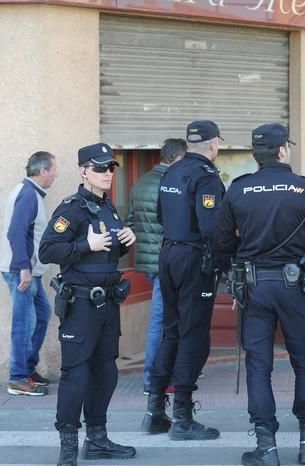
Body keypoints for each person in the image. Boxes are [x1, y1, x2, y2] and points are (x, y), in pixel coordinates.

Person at [215, 123, 305, 466]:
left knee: (258, 365)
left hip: (255, 288)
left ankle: (267, 447)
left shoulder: (238, 190)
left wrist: (246, 251)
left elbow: (221, 242)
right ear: (282, 151)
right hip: (294, 287)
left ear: (256, 153)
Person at [39, 143, 137, 466]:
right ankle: (68, 447)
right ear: (83, 171)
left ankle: (97, 439)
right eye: (100, 167)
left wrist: (124, 245)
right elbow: (48, 251)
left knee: (105, 373)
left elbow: (104, 256)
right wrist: (85, 244)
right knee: (76, 376)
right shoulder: (72, 209)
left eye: (111, 168)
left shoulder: (108, 209)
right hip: (80, 307)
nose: (108, 173)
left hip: (108, 305)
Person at [140, 120, 226, 440]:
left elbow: (162, 217)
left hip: (169, 255)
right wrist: (225, 260)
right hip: (193, 259)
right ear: (214, 144)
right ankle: (183, 417)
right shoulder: (206, 177)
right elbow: (211, 228)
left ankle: (155, 411)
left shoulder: (171, 172)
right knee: (194, 336)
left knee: (171, 332)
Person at [126, 138, 186, 395]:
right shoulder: (170, 184)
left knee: (165, 319)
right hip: (167, 263)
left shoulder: (140, 183)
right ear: (179, 158)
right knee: (161, 320)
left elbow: (130, 222)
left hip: (149, 264)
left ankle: (164, 373)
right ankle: (153, 379)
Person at [0, 151, 57, 396]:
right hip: (21, 271)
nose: (56, 174)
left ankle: (27, 369)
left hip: (29, 271)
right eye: (54, 169)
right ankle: (18, 378)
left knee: (43, 314)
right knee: (24, 324)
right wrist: (24, 268)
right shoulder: (28, 195)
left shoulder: (29, 193)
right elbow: (16, 233)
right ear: (43, 171)